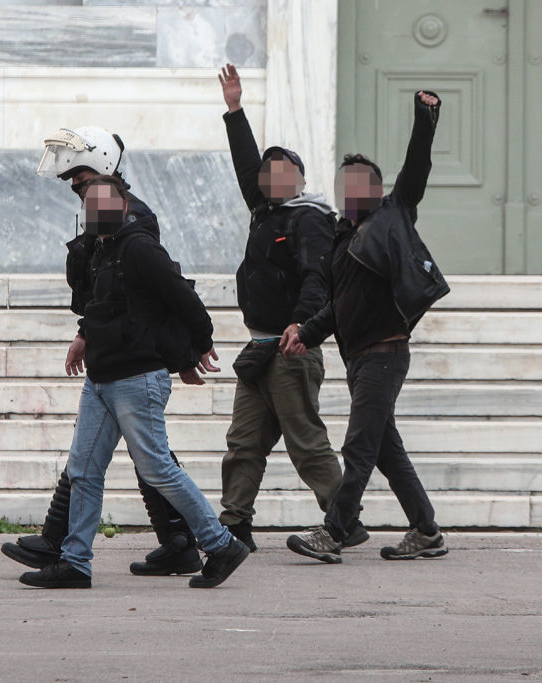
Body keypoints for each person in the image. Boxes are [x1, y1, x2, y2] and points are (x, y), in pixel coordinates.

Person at [18, 175, 249, 589]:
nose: (98, 211)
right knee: (84, 471)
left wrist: (200, 345)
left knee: (157, 468)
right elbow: (103, 304)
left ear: (124, 207)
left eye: (106, 203)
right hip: (101, 380)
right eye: (91, 205)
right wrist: (83, 336)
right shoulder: (101, 251)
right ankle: (75, 563)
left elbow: (183, 298)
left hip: (137, 378)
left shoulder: (139, 247)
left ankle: (220, 543)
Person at [2, 126, 204, 577]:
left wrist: (191, 350)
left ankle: (204, 540)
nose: (76, 188)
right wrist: (86, 331)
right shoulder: (105, 216)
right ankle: (178, 542)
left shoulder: (133, 221)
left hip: (132, 359)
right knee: (114, 455)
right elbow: (100, 290)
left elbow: (146, 292)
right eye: (73, 183)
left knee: (137, 457)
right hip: (116, 354)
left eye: (82, 179)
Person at [281, 90, 450, 564]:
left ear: (376, 190)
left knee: (358, 446)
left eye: (361, 185)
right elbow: (339, 306)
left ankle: (333, 532)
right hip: (358, 358)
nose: (351, 192)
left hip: (385, 352)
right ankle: (426, 531)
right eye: (345, 185)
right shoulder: (342, 239)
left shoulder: (394, 216)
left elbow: (417, 167)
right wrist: (306, 332)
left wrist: (425, 115)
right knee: (386, 451)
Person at [215, 64, 368, 552]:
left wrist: (303, 327)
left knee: (306, 443)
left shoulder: (312, 218)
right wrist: (235, 111)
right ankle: (235, 525)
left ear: (300, 178)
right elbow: (245, 167)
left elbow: (316, 279)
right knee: (243, 444)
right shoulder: (264, 210)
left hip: (293, 347)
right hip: (259, 346)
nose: (273, 176)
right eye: (268, 171)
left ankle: (343, 521)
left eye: (284, 170)